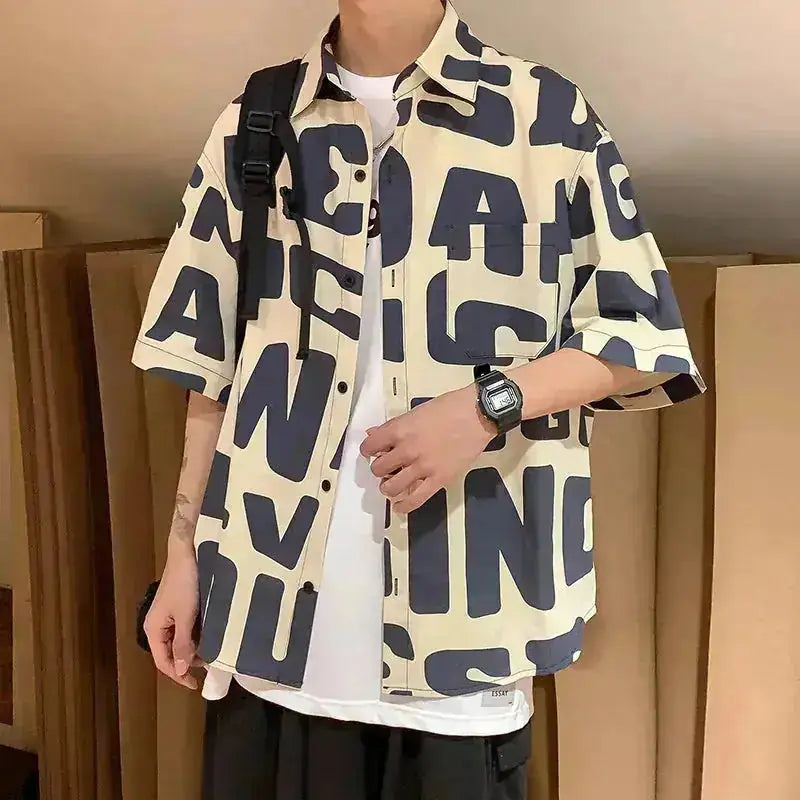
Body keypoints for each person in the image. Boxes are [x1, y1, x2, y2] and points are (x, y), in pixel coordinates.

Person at [132, 0, 705, 798]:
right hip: (269, 630)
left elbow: (642, 337)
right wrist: (182, 558)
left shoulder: (543, 115)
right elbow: (213, 369)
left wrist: (486, 407)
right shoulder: (256, 119)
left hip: (462, 649)